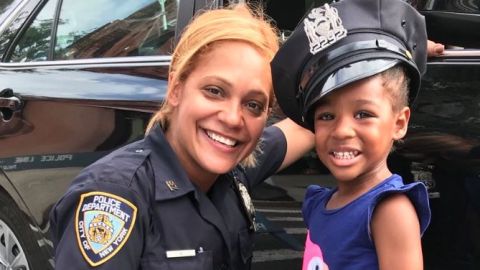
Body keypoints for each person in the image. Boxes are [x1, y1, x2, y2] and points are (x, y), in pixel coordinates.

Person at [49, 3, 315, 270]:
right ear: (176, 88)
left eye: (253, 105)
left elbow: (309, 126)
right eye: (215, 91)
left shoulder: (234, 174)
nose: (233, 118)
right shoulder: (117, 197)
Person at [271, 0, 431, 269]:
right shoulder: (319, 203)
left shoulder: (389, 210)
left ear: (399, 123)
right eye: (326, 116)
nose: (342, 130)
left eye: (363, 114)